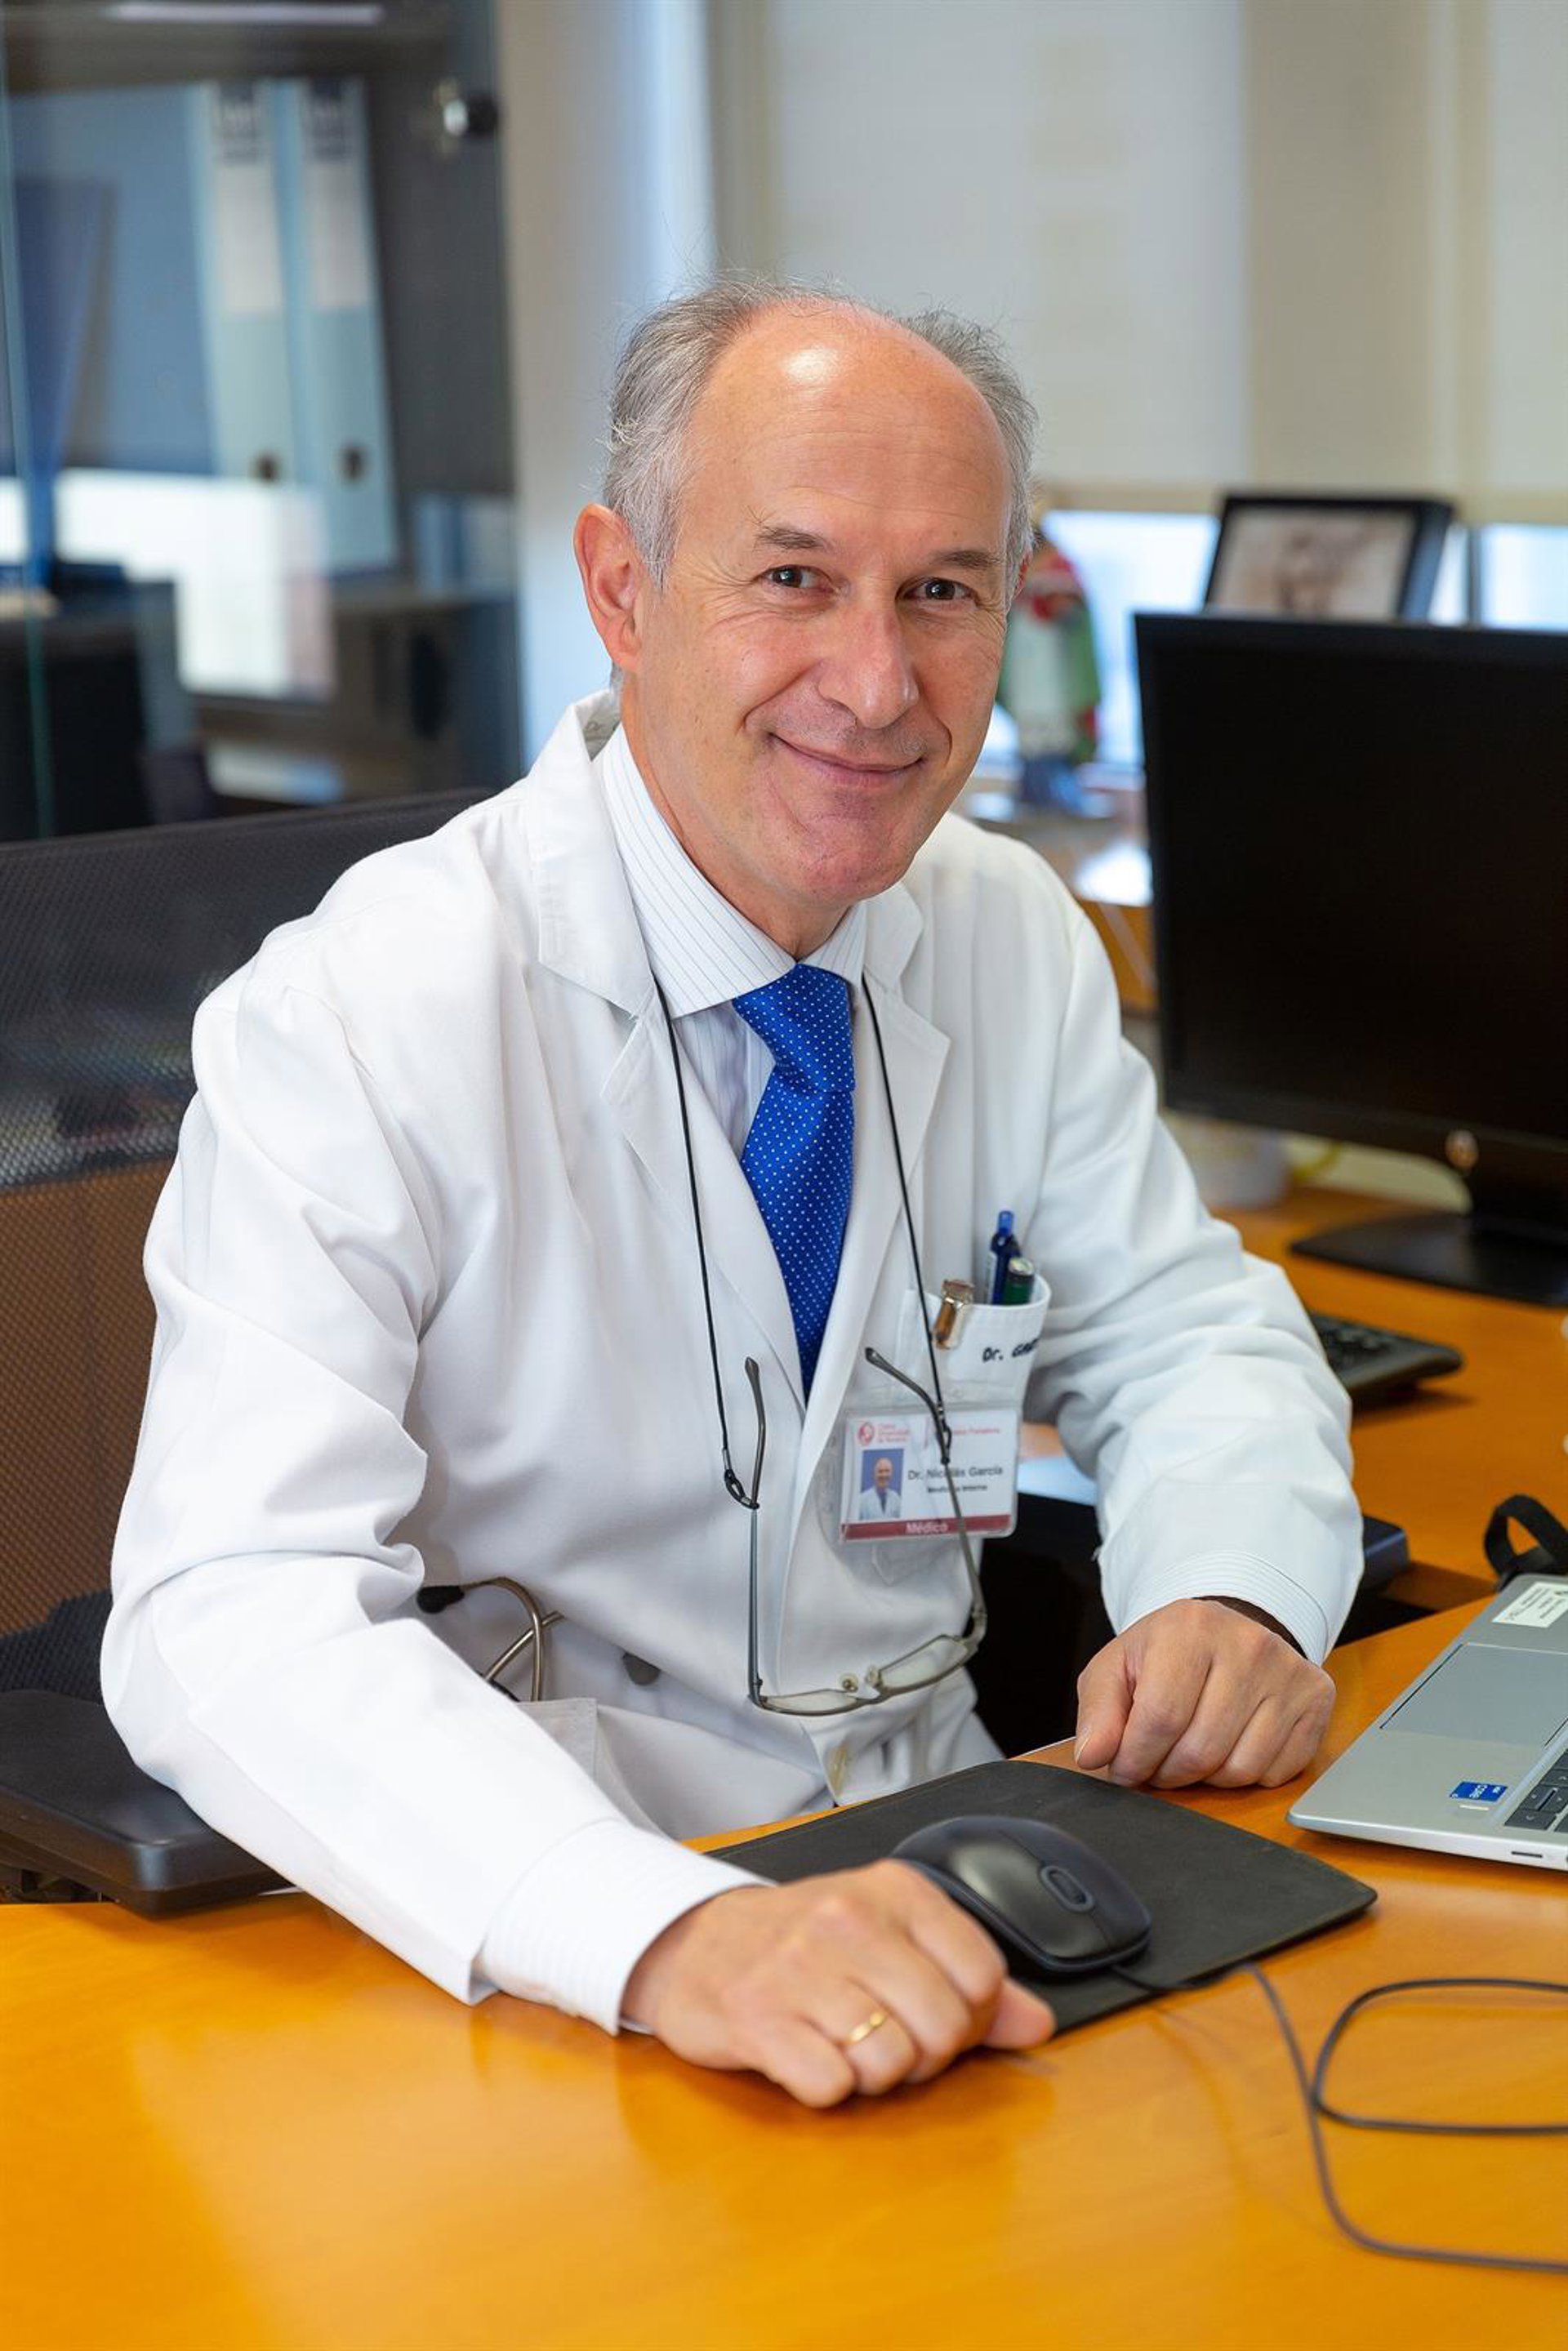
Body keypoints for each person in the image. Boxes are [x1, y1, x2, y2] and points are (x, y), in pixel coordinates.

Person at [105, 280, 1359, 2111]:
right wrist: (657, 1928)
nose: (877, 681)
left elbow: (1181, 1327)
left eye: (943, 591)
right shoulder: (365, 1009)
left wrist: (1236, 1589)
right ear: (623, 590)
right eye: (794, 577)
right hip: (552, 1939)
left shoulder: (1002, 926)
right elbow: (229, 1603)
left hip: (960, 1867)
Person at [855, 1457, 904, 1521]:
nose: (884, 1475)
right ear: (874, 1475)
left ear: (891, 1474)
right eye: (880, 1471)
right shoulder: (862, 1500)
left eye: (887, 1471)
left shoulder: (896, 1498)